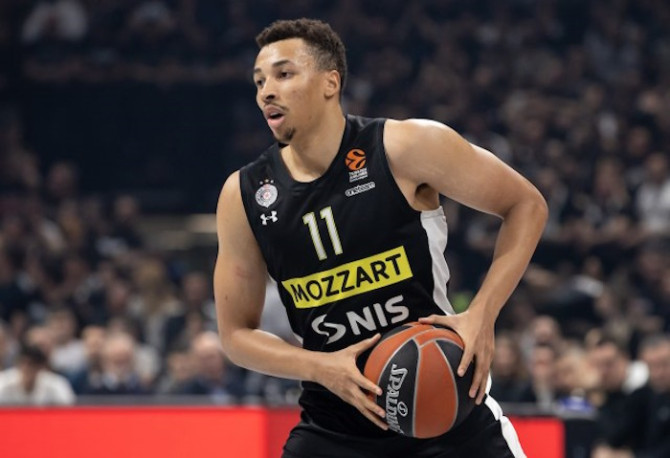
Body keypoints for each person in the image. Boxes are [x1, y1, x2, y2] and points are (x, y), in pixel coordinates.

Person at [214, 18, 547, 457]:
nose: (266, 92)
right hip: (335, 425)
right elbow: (236, 334)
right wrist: (321, 367)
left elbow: (526, 205)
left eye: (283, 74)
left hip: (444, 407)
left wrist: (482, 314)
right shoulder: (244, 195)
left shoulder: (406, 147)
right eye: (259, 81)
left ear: (331, 82)